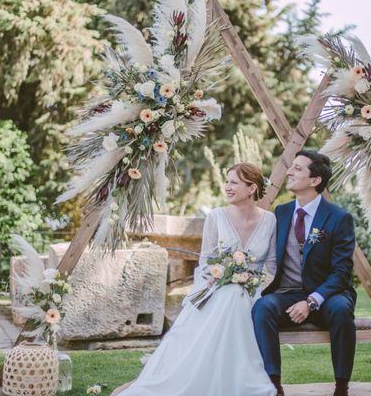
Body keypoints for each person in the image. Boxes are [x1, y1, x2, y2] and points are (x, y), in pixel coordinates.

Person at [117, 162, 277, 396]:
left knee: (235, 294)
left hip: (253, 289)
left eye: (234, 182)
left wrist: (252, 283)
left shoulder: (269, 220)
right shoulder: (216, 217)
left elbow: (270, 264)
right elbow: (206, 261)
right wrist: (218, 278)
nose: (227, 187)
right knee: (229, 294)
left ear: (252, 188)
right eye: (227, 181)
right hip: (217, 287)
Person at [252, 150, 357, 396]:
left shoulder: (339, 218)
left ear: (315, 180)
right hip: (288, 293)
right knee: (263, 307)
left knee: (342, 311)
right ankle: (274, 384)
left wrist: (311, 301)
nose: (289, 171)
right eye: (291, 167)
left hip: (328, 295)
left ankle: (342, 386)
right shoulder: (282, 212)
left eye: (298, 169)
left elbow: (342, 272)